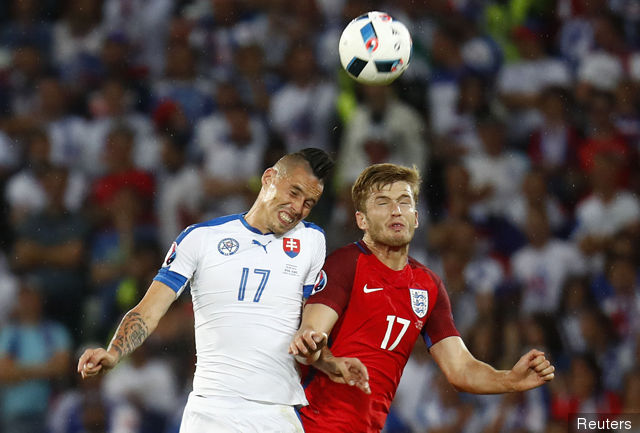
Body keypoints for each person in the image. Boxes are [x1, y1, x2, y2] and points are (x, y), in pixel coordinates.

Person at [78, 148, 364, 433]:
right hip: (213, 411)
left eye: (309, 202)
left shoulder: (312, 241)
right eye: (294, 193)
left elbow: (306, 334)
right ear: (269, 178)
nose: (298, 208)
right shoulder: (201, 238)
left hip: (279, 413)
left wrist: (329, 362)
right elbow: (149, 310)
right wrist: (114, 352)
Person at [289, 163, 556, 433]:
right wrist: (324, 355)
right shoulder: (346, 263)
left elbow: (460, 369)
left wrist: (510, 379)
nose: (396, 210)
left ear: (415, 218)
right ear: (362, 220)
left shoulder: (428, 285)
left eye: (404, 202)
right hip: (312, 424)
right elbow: (312, 333)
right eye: (383, 202)